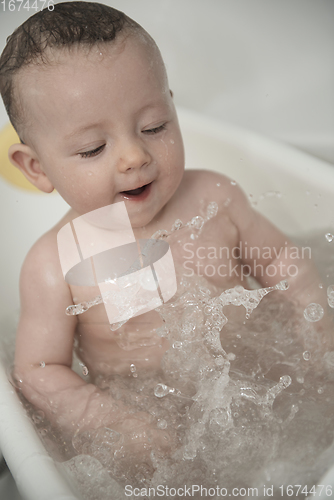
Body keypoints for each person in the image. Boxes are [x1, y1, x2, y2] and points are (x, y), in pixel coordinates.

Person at [0, 2, 328, 457]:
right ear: (37, 167)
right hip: (154, 426)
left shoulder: (215, 197)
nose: (134, 156)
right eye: (94, 148)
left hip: (267, 385)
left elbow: (280, 261)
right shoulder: (54, 263)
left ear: (173, 107)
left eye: (154, 126)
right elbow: (38, 370)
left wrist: (319, 328)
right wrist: (113, 423)